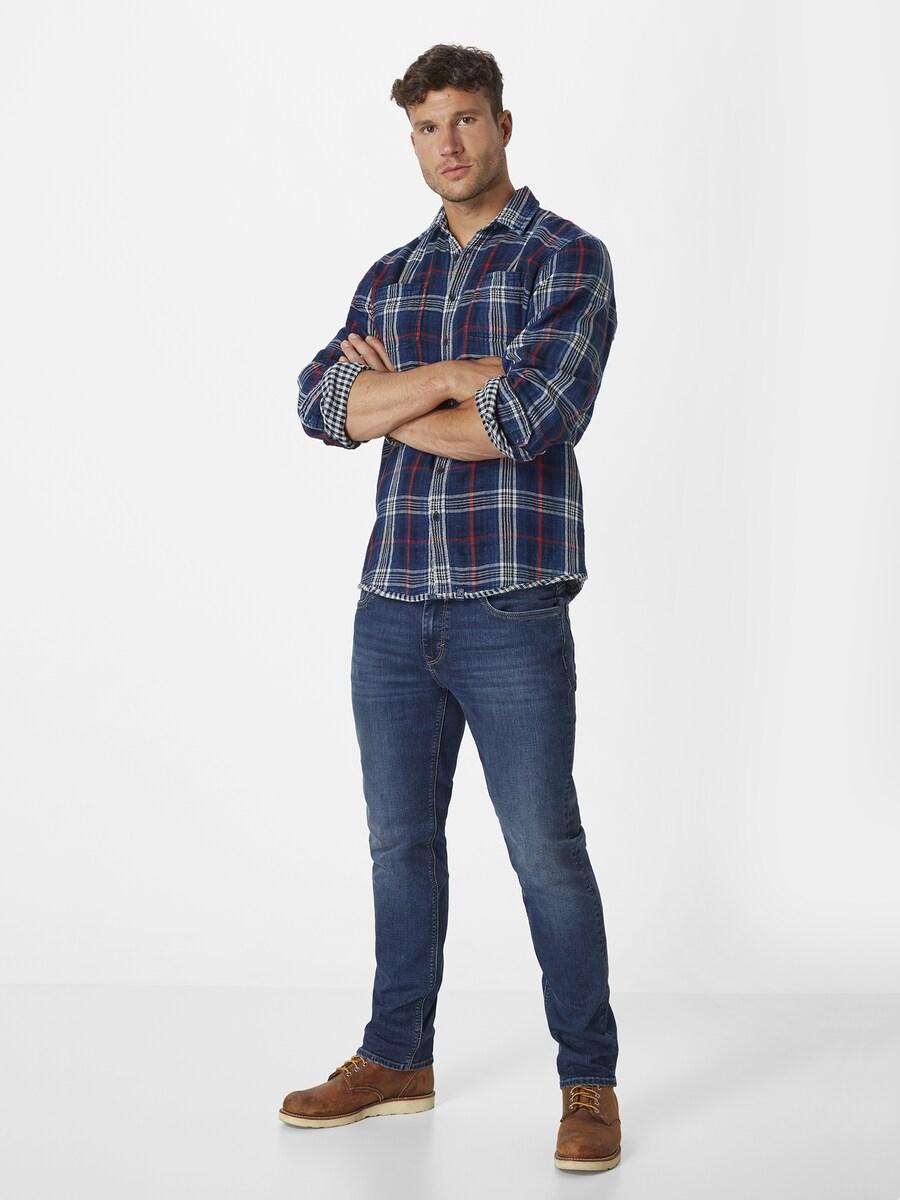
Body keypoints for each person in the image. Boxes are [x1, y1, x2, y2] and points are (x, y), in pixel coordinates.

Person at [279, 43, 621, 1173]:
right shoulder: (391, 277)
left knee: (545, 851)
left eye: (465, 119)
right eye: (428, 127)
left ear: (503, 125)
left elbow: (527, 420)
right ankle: (396, 1057)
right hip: (391, 606)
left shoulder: (569, 259)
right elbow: (321, 406)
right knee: (399, 845)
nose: (449, 144)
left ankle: (588, 1079)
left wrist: (393, 398)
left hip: (509, 603)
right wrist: (446, 378)